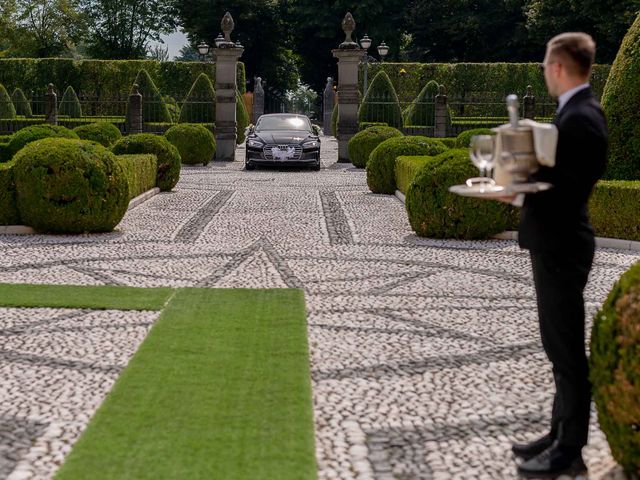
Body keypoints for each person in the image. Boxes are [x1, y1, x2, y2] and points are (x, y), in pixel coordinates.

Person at [504, 32, 608, 478]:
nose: (545, 73)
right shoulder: (573, 114)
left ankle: (571, 450)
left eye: (547, 66)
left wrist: (514, 191)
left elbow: (566, 190)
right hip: (557, 241)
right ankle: (558, 432)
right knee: (557, 345)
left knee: (566, 352)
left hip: (563, 243)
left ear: (560, 68)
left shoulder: (581, 118)